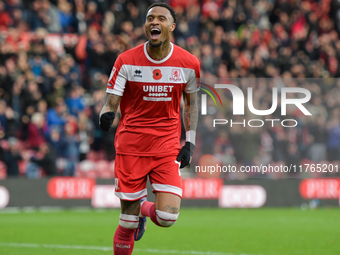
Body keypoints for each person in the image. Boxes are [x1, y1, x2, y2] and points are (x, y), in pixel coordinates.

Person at [99, 2, 199, 255]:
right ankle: (136, 212)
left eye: (161, 19)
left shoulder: (188, 63)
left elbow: (191, 107)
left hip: (165, 147)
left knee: (167, 217)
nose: (154, 22)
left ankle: (143, 207)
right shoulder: (126, 60)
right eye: (150, 18)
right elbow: (111, 101)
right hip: (131, 147)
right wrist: (107, 114)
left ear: (171, 27)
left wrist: (190, 142)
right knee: (127, 223)